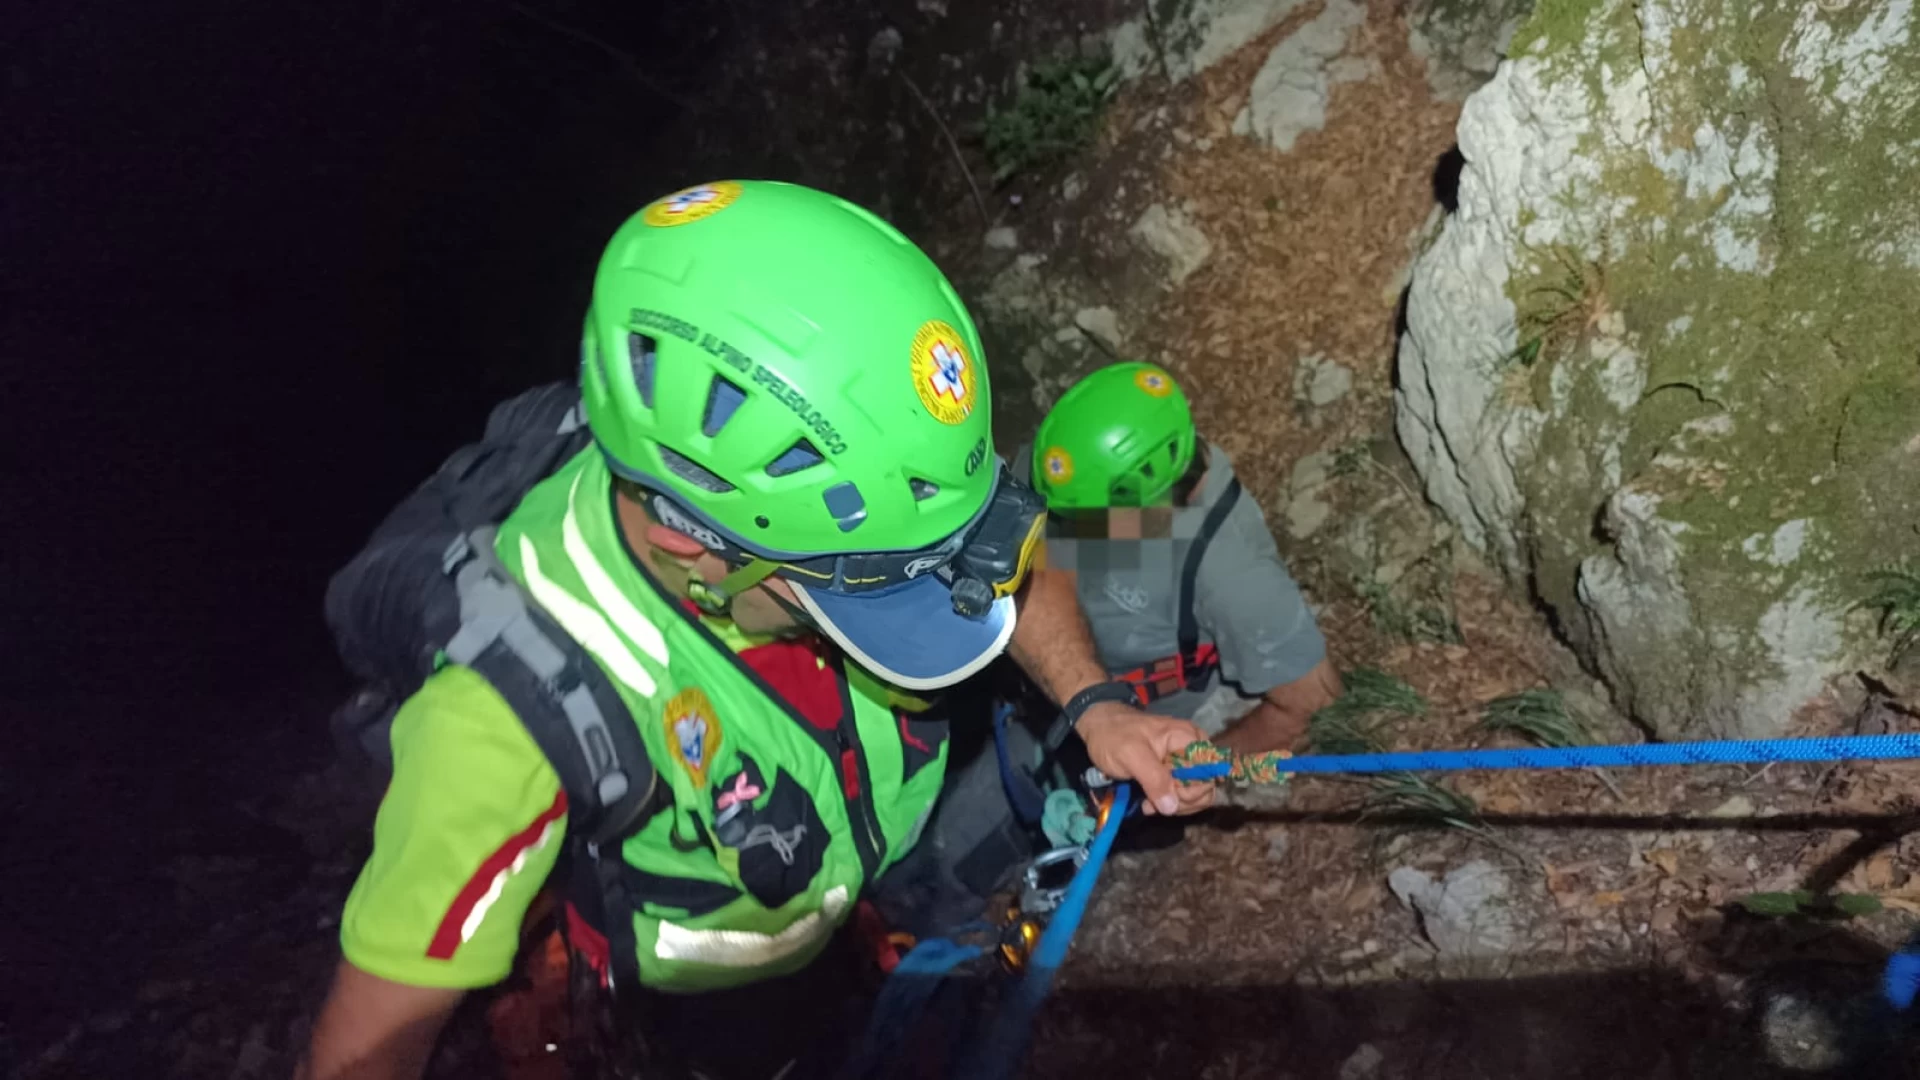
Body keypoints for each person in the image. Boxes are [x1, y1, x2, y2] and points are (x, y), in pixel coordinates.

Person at [297, 181, 1214, 1080]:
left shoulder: (862, 484)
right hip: (703, 1011)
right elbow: (363, 1050)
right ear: (691, 547)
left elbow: (1004, 549)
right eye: (863, 587)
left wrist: (1096, 708)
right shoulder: (499, 732)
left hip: (851, 875)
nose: (925, 588)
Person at [1017, 361, 1340, 757]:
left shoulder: (1234, 579)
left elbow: (1315, 706)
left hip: (1151, 716)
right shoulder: (1081, 472)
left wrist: (1188, 767)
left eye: (1087, 521)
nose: (1069, 529)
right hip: (1049, 681)